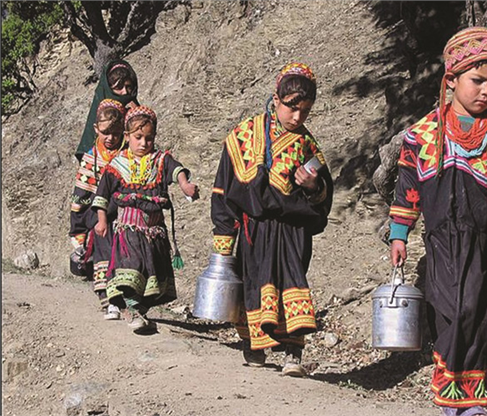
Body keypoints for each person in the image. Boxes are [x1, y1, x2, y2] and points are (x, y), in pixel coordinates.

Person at [388, 27, 487, 416]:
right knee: (449, 317)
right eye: (477, 80)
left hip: (485, 248)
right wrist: (399, 233)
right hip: (440, 247)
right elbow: (407, 188)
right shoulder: (423, 136)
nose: (486, 90)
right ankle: (455, 402)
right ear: (452, 79)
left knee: (477, 315)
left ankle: (468, 406)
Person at [210, 62, 333, 377]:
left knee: (293, 282)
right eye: (292, 108)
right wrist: (224, 240)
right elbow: (224, 188)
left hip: (293, 231)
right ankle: (255, 346)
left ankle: (293, 352)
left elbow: (323, 196)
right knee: (255, 283)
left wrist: (313, 186)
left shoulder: (307, 145)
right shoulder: (243, 135)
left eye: (305, 111)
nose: (297, 117)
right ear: (275, 99)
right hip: (256, 229)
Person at [92, 105, 199, 334]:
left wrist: (185, 185)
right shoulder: (117, 165)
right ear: (127, 137)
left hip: (155, 231)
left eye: (149, 138)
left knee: (154, 275)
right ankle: (130, 307)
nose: (143, 143)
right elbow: (102, 194)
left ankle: (136, 309)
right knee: (133, 266)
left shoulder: (160, 160)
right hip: (128, 229)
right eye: (138, 137)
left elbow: (177, 170)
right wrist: (101, 220)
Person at [69, 98, 127, 320]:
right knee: (103, 240)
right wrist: (78, 231)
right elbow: (81, 196)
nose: (111, 138)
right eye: (105, 133)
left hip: (124, 210)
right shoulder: (91, 159)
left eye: (116, 132)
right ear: (96, 129)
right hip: (97, 214)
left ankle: (129, 296)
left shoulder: (128, 155)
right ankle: (110, 300)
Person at [76, 59, 139, 160]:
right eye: (119, 87)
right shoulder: (98, 117)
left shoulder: (134, 109)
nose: (125, 92)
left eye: (128, 87)